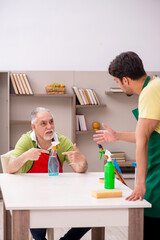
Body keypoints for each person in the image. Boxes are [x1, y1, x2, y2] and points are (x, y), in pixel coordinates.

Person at [93, 51, 160, 239]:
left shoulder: (150, 92)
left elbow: (144, 140)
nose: (119, 86)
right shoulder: (155, 84)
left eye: (117, 82)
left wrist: (139, 185)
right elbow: (147, 134)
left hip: (158, 174)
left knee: (149, 222)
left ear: (126, 80)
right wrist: (118, 135)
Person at [8, 107, 90, 240]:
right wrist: (25, 156)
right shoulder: (26, 140)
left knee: (90, 216)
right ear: (34, 127)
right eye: (43, 123)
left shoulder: (62, 141)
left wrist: (82, 161)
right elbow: (10, 168)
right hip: (32, 196)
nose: (49, 126)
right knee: (37, 226)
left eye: (51, 122)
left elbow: (79, 169)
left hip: (59, 194)